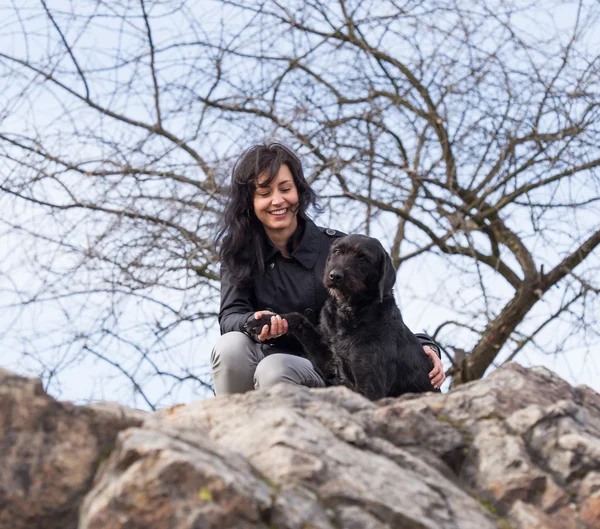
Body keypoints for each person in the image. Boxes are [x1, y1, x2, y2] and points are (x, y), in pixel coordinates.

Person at [211, 142, 445, 395]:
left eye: (286, 189)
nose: (277, 201)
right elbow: (230, 315)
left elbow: (381, 317)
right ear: (250, 201)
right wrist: (251, 321)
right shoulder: (238, 254)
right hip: (267, 354)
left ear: (299, 192)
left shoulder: (340, 248)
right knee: (230, 346)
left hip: (324, 370)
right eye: (264, 193)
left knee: (275, 368)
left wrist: (424, 344)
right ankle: (233, 428)